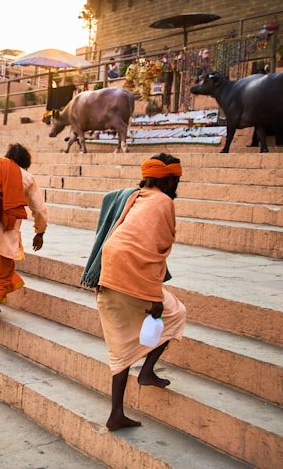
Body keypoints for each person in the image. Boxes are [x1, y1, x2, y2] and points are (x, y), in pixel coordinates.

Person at [81, 153, 187, 431]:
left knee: (120, 351)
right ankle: (147, 371)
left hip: (106, 274)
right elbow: (155, 252)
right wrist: (154, 297)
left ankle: (116, 413)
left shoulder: (136, 196)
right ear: (171, 179)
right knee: (175, 314)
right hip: (132, 277)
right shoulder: (163, 202)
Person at [0, 143, 48, 334]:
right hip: (6, 234)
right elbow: (39, 209)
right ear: (25, 162)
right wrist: (40, 231)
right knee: (3, 274)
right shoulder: (27, 177)